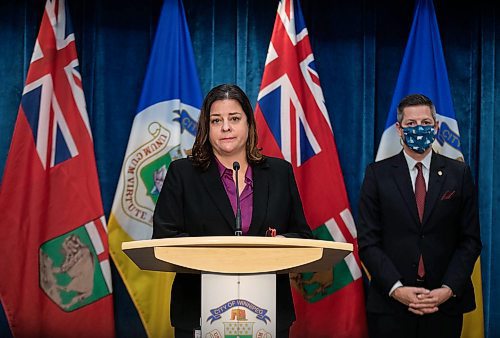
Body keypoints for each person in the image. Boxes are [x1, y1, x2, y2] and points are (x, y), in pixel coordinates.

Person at [152, 83, 313, 338]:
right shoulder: (183, 173)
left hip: (268, 311)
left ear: (249, 124)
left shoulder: (280, 173)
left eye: (234, 118)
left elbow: (304, 236)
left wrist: (280, 243)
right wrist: (214, 256)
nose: (225, 127)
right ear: (207, 128)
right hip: (198, 310)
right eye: (216, 120)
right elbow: (163, 237)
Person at [357, 94, 482, 338]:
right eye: (411, 124)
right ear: (399, 129)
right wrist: (397, 289)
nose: (419, 129)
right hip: (391, 306)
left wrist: (448, 289)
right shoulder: (377, 174)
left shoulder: (459, 173)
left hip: (444, 304)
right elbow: (368, 241)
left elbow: (470, 240)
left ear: (436, 126)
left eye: (425, 123)